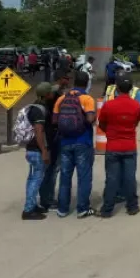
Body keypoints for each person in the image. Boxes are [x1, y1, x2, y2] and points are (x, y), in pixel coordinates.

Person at [53, 71, 98, 218]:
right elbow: (90, 119)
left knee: (65, 176)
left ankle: (62, 209)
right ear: (86, 83)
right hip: (83, 142)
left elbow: (54, 120)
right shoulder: (87, 99)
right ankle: (83, 208)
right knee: (84, 176)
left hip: (65, 142)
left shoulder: (61, 98)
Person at [98, 75, 140, 217]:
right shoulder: (136, 105)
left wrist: (111, 133)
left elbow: (102, 124)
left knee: (112, 178)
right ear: (131, 89)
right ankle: (132, 207)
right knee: (130, 178)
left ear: (116, 88)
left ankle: (107, 209)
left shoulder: (109, 105)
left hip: (113, 146)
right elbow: (136, 121)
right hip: (130, 145)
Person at [22, 82, 54, 220]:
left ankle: (33, 205)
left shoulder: (33, 107)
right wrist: (44, 151)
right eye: (51, 92)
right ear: (47, 94)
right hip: (37, 150)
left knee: (32, 178)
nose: (53, 94)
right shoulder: (39, 110)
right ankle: (28, 210)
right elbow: (39, 131)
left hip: (31, 148)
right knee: (36, 179)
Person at [39, 70, 68, 210]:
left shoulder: (40, 105)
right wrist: (45, 149)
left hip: (48, 142)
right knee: (52, 169)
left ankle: (45, 197)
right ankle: (47, 200)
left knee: (48, 170)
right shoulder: (47, 106)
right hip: (51, 142)